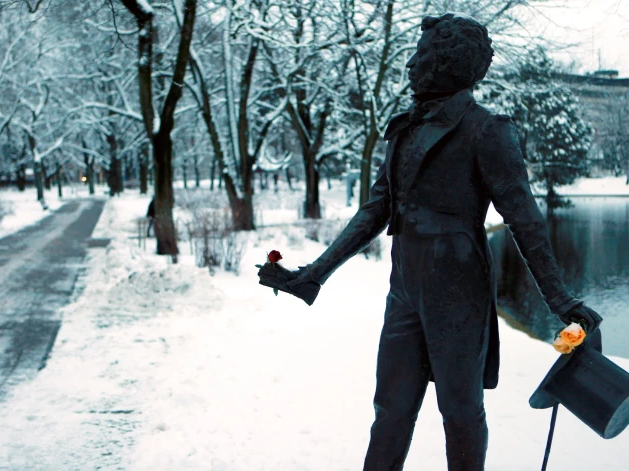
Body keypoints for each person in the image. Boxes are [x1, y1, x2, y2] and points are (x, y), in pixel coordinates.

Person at [257, 13, 602, 471]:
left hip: (459, 292)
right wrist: (313, 275)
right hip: (405, 290)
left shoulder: (487, 130)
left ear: (447, 63)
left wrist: (559, 299)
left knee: (460, 414)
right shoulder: (404, 129)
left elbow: (525, 220)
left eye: (419, 57)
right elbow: (376, 210)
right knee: (391, 409)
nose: (410, 67)